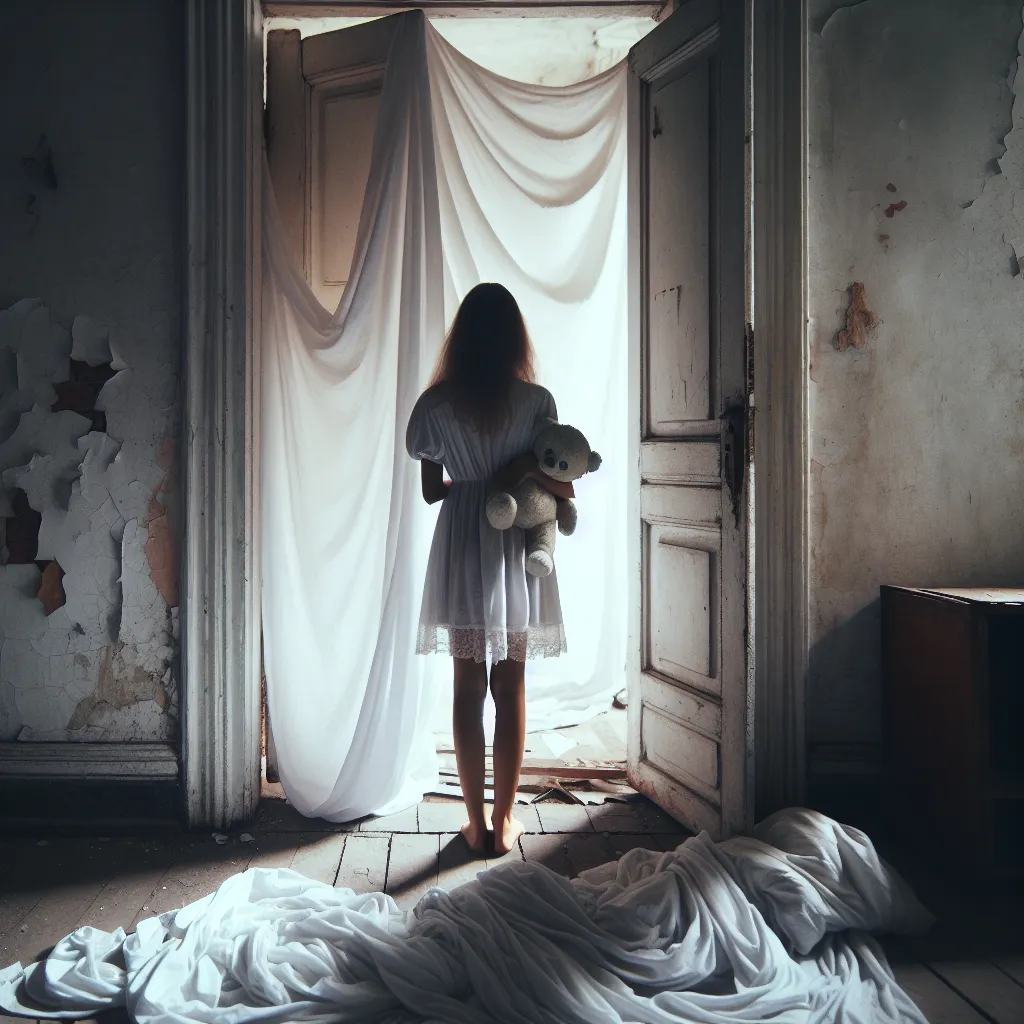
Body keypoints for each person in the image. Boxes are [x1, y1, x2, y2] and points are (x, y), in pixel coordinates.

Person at [406, 283, 573, 857]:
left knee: (467, 685)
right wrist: (519, 466)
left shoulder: (435, 405)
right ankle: (504, 823)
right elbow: (563, 481)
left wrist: (469, 482)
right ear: (513, 339)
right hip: (516, 544)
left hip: (461, 539)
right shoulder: (537, 403)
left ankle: (473, 822)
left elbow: (432, 491)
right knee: (511, 685)